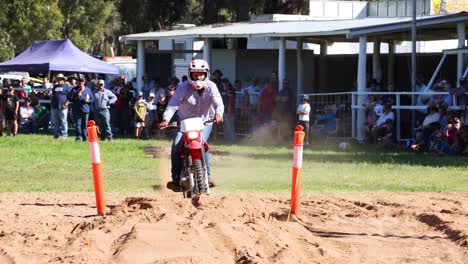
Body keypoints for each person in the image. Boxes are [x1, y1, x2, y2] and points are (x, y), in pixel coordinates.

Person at [158, 59, 224, 191]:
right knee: (176, 145)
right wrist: (166, 119)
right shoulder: (183, 87)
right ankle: (176, 179)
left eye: (201, 74)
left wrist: (219, 113)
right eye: (195, 74)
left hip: (205, 122)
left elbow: (218, 102)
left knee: (202, 143)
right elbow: (173, 104)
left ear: (206, 74)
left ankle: (208, 176)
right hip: (185, 123)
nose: (198, 77)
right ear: (190, 74)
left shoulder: (211, 86)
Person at [70, 75, 94, 141]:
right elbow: (71, 99)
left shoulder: (88, 90)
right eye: (79, 81)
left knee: (84, 125)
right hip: (77, 110)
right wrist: (77, 96)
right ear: (77, 81)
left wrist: (87, 101)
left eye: (82, 81)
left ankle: (85, 138)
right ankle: (78, 138)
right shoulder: (74, 90)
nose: (81, 82)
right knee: (78, 125)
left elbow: (92, 99)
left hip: (85, 110)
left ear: (84, 82)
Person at [51, 73, 71, 139]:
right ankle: (56, 135)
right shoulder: (55, 87)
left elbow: (70, 97)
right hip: (54, 107)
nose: (59, 80)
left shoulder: (67, 87)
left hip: (63, 107)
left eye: (61, 79)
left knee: (63, 121)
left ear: (63, 79)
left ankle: (64, 135)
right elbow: (53, 95)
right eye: (58, 79)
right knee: (55, 121)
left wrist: (66, 104)